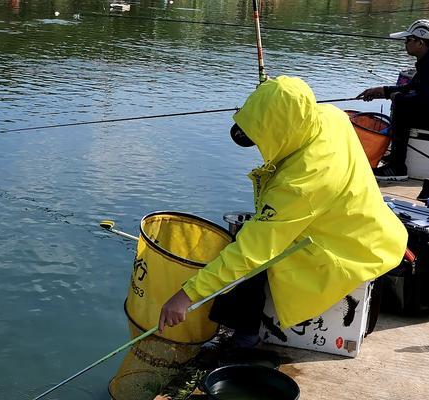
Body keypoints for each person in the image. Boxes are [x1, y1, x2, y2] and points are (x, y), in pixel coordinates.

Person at [157, 76, 407, 353]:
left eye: (263, 134)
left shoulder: (301, 184)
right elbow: (290, 105)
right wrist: (270, 93)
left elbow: (251, 252)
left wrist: (186, 295)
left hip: (347, 253)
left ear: (281, 131)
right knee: (252, 241)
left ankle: (244, 339)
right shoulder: (328, 117)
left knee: (245, 257)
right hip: (369, 230)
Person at [359, 19, 429, 181]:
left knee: (402, 105)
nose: (405, 43)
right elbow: (412, 88)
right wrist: (382, 91)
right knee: (402, 100)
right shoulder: (424, 62)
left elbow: (425, 99)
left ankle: (398, 167)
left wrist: (396, 97)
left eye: (408, 40)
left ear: (421, 42)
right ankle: (395, 159)